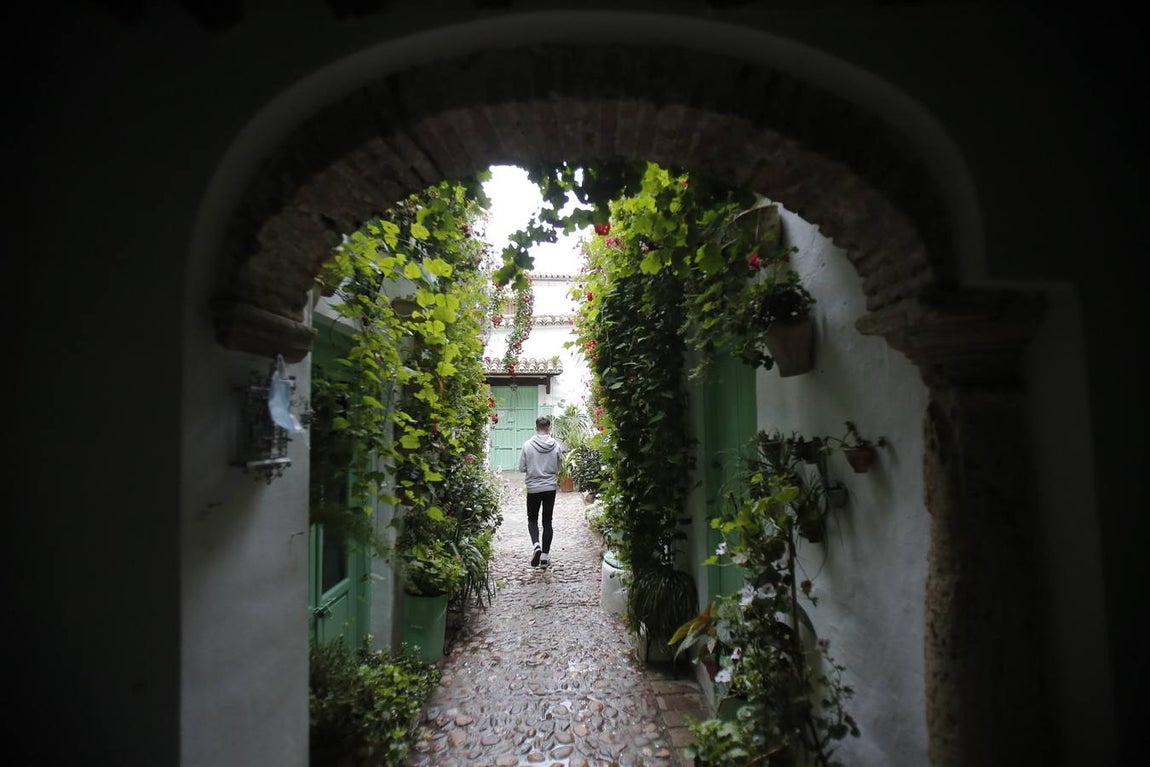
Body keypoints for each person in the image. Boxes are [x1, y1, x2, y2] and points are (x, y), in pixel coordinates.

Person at [518, 415, 565, 568]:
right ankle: (544, 557)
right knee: (547, 521)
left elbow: (521, 468)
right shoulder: (556, 445)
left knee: (532, 520)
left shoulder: (527, 445)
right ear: (549, 428)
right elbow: (559, 467)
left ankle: (536, 545)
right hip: (550, 488)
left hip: (533, 488)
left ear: (536, 428)